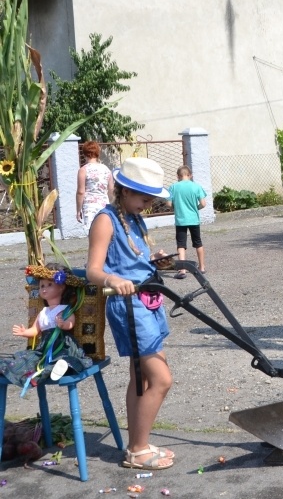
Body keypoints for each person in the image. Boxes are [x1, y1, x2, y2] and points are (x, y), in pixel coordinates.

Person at [86, 157, 176, 470]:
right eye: (143, 197)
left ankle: (137, 445)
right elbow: (93, 270)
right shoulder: (105, 220)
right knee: (161, 379)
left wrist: (155, 261)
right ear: (124, 191)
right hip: (128, 306)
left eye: (151, 199)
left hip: (147, 301)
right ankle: (138, 449)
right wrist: (112, 279)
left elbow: (132, 259)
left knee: (140, 378)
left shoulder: (135, 218)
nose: (148, 204)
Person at [0, 264, 92, 388]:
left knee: (65, 357)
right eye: (42, 285)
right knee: (30, 358)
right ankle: (45, 371)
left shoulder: (64, 309)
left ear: (62, 287)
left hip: (62, 344)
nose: (44, 289)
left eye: (50, 285)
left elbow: (71, 323)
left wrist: (64, 324)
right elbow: (35, 330)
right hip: (44, 348)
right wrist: (24, 332)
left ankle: (59, 366)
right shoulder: (43, 312)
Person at [166, 165, 207, 279]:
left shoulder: (173, 187)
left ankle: (182, 269)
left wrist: (176, 207)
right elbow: (203, 204)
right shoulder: (196, 187)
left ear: (178, 176)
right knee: (198, 242)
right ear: (190, 175)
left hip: (180, 220)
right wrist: (195, 208)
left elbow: (168, 204)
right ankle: (202, 267)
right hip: (194, 219)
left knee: (181, 244)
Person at [76, 141, 114, 231]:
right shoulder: (106, 169)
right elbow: (111, 189)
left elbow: (81, 192)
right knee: (105, 233)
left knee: (93, 234)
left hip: (90, 207)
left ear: (84, 153)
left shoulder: (83, 170)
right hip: (104, 205)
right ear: (97, 153)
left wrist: (78, 210)